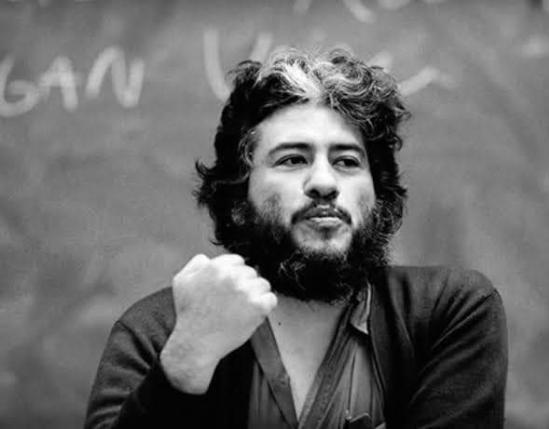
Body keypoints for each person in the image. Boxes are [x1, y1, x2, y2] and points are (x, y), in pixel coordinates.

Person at [85, 48, 507, 429]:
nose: (324, 182)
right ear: (238, 201)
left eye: (346, 161)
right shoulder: (162, 330)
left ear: (377, 197)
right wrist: (185, 362)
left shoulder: (448, 313)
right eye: (292, 159)